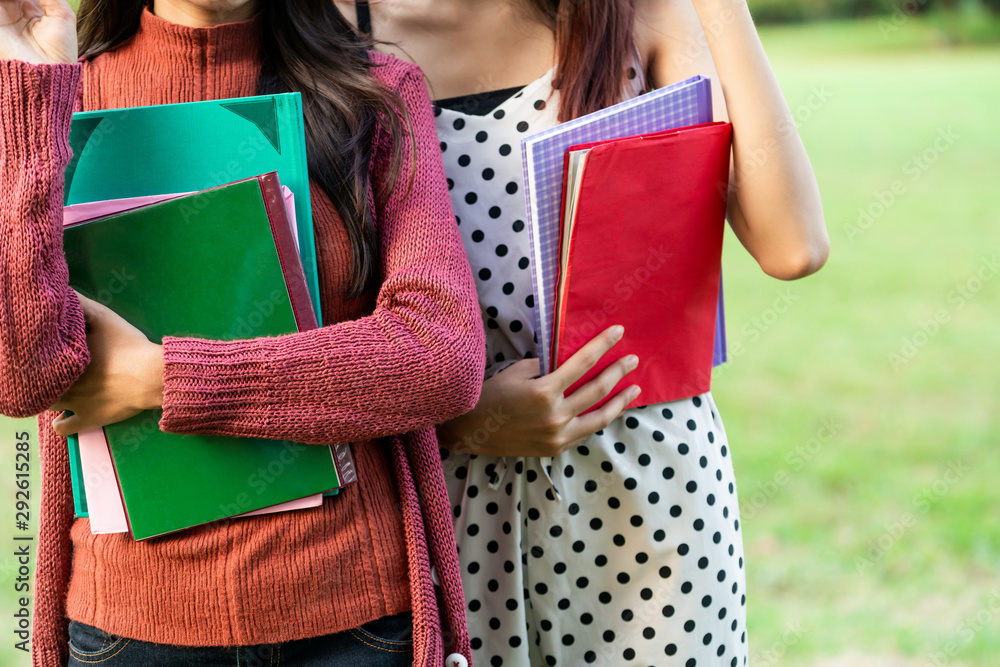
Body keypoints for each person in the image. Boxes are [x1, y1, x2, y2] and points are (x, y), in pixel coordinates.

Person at [342, 0, 830, 665]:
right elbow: (313, 328)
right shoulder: (328, 31)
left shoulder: (638, 13)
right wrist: (457, 419)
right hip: (441, 512)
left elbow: (793, 243)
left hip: (651, 503)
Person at [0, 1, 486, 665]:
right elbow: (22, 374)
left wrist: (162, 377)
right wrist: (31, 90)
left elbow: (442, 354)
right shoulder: (57, 96)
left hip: (351, 621)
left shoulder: (374, 93)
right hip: (132, 629)